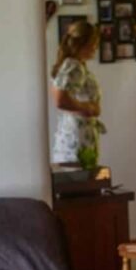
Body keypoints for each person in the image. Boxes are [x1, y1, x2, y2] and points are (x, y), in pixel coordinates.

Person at [50, 20, 104, 167]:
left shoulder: (70, 64)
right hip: (77, 139)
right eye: (94, 42)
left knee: (79, 177)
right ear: (83, 43)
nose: (96, 47)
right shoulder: (74, 66)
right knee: (80, 178)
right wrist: (89, 108)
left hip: (74, 136)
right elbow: (60, 100)